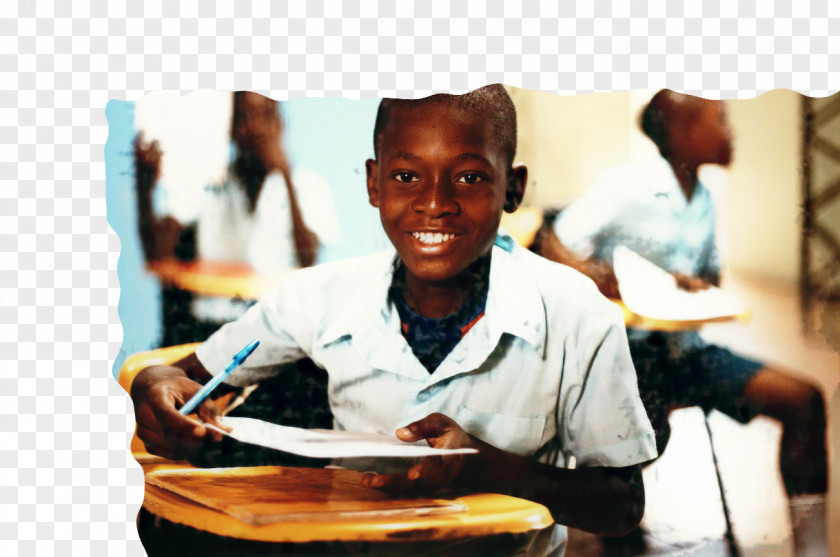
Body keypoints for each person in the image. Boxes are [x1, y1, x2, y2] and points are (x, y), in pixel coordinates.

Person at [131, 85, 658, 556]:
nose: (434, 203)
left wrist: (490, 468)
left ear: (513, 188)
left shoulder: (576, 314)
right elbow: (183, 376)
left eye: (470, 177)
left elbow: (621, 504)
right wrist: (156, 386)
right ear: (374, 183)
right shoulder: (318, 295)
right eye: (407, 176)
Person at [541, 90, 828, 555]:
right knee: (641, 436)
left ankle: (812, 548)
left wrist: (691, 283)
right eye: (721, 119)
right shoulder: (627, 187)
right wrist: (597, 276)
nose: (731, 131)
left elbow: (706, 274)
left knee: (804, 402)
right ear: (681, 132)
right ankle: (606, 531)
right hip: (627, 357)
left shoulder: (705, 199)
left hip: (684, 352)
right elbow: (553, 243)